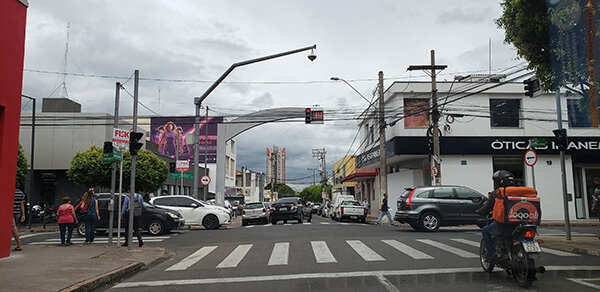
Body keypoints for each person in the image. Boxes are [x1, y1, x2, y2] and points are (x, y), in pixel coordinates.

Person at [476, 170, 515, 261]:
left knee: (485, 230)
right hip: (520, 226)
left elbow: (487, 207)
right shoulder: (518, 191)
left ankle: (491, 255)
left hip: (504, 225)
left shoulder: (497, 193)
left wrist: (480, 211)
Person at [12, 182, 25, 251]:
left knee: (13, 228)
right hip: (18, 212)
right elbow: (22, 204)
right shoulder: (20, 193)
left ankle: (19, 245)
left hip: (10, 212)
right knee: (14, 228)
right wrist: (23, 214)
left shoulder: (10, 191)